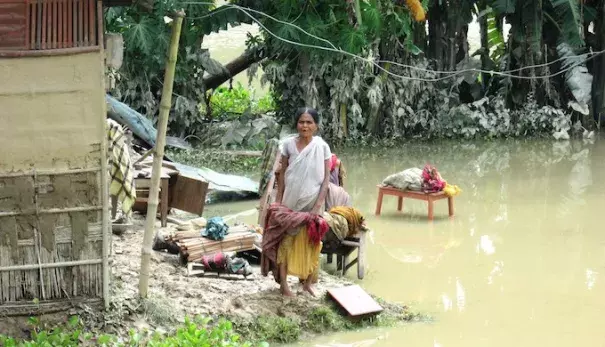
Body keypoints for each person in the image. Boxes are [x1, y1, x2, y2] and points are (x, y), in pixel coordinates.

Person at [274, 107, 331, 296]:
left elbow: (325, 181)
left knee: (313, 241)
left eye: (309, 122)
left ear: (316, 126)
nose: (305, 126)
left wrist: (317, 206)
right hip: (290, 202)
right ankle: (284, 284)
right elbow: (282, 176)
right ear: (296, 124)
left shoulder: (322, 147)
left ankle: (308, 283)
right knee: (286, 241)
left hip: (313, 201)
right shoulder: (288, 145)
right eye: (301, 122)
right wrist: (279, 202)